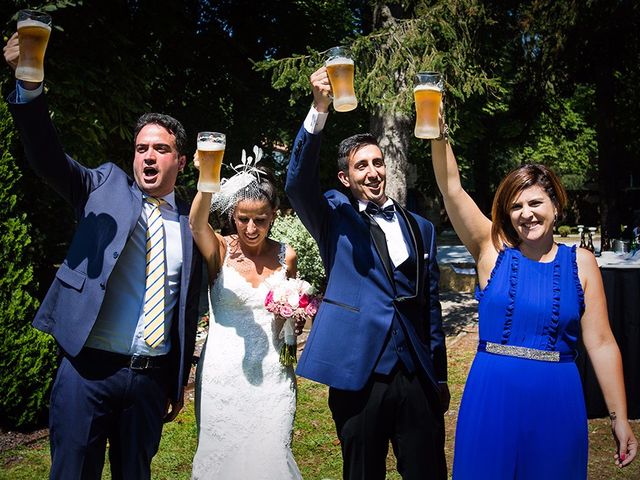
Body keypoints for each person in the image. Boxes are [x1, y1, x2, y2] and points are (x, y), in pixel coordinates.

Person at [3, 32, 203, 479]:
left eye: (161, 148)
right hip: (87, 372)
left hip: (150, 381)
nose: (148, 156)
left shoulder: (193, 222)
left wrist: (176, 381)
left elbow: (186, 306)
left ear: (183, 161)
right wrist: (29, 86)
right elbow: (47, 155)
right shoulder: (101, 187)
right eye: (141, 148)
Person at [429, 117, 638, 478]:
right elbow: (451, 189)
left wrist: (619, 418)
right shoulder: (490, 250)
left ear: (556, 206)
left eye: (535, 202)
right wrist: (437, 130)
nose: (526, 214)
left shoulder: (582, 263)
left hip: (558, 401)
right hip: (491, 398)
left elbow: (602, 344)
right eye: (515, 206)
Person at [285, 66, 449, 480]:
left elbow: (430, 308)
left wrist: (438, 377)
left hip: (415, 374)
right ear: (346, 177)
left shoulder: (421, 227)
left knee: (427, 471)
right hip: (359, 375)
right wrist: (319, 109)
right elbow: (297, 182)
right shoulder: (334, 218)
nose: (373, 172)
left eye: (378, 163)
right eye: (362, 166)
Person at [189, 147, 302, 479]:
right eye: (243, 219)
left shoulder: (287, 256)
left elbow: (289, 318)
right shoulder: (220, 250)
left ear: (274, 216)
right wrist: (206, 176)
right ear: (233, 216)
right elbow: (196, 224)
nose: (251, 228)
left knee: (272, 455)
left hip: (274, 375)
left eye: (260, 220)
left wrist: (294, 317)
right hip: (223, 375)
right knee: (224, 459)